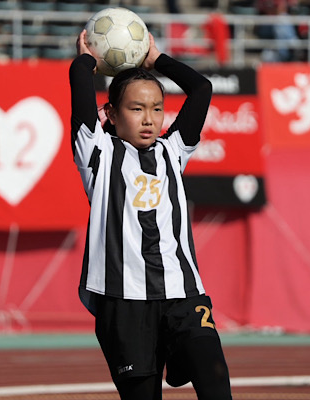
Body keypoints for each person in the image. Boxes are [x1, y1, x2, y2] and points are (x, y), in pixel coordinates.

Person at [69, 30, 233, 400]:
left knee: (216, 385)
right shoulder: (96, 153)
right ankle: (170, 353)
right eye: (136, 108)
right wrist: (87, 59)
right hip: (123, 302)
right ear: (112, 113)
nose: (149, 119)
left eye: (157, 109)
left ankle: (178, 352)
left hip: (182, 293)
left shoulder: (173, 150)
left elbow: (201, 88)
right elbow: (79, 81)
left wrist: (156, 60)